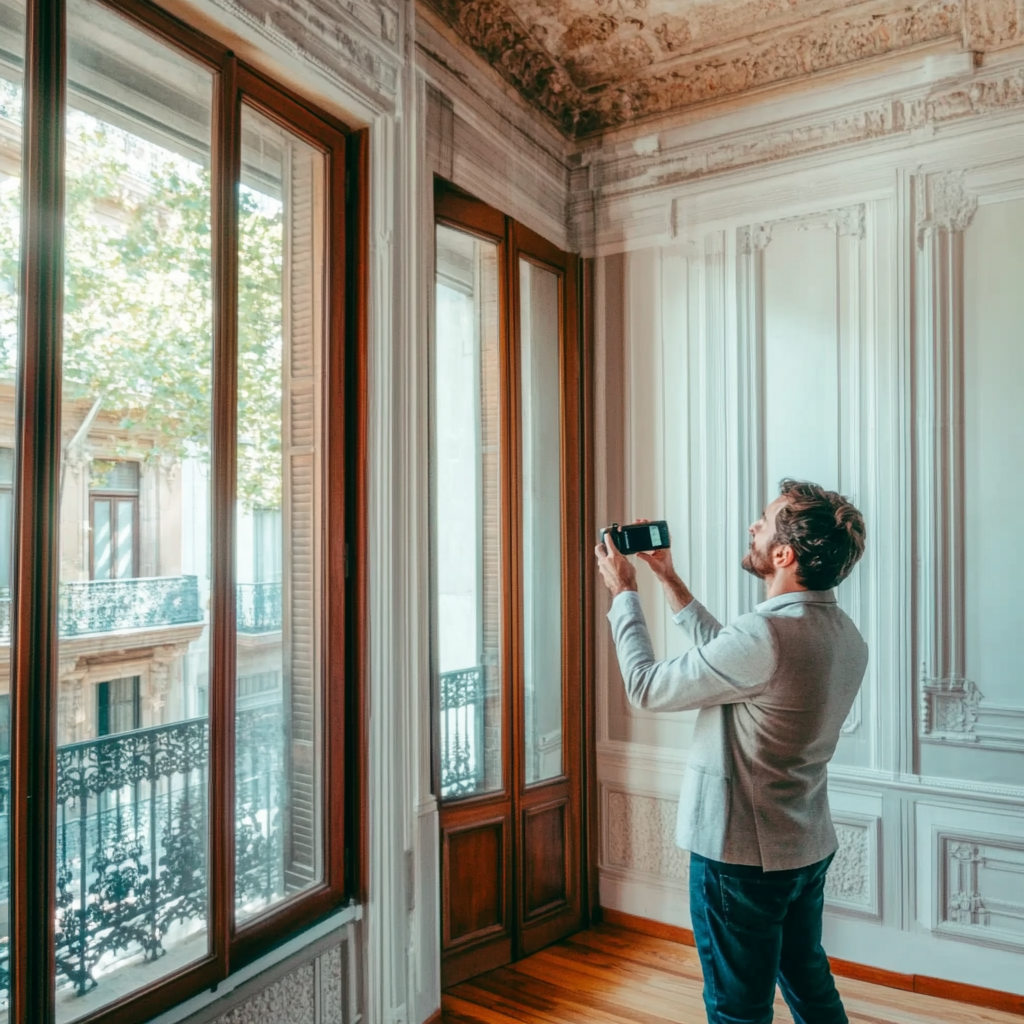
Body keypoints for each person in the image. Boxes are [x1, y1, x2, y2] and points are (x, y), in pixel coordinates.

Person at [595, 479, 867, 1024]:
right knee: (810, 984)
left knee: (736, 1008)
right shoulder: (842, 632)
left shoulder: (765, 635)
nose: (753, 527)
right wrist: (668, 579)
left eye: (763, 523)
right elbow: (738, 665)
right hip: (804, 845)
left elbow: (647, 686)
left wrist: (625, 594)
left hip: (741, 857)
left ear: (784, 555)